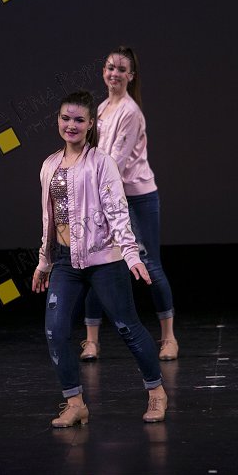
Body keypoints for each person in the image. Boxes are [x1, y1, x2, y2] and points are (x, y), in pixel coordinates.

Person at [32, 90, 169, 427]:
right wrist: (44, 262)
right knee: (55, 331)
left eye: (79, 120)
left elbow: (117, 212)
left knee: (127, 327)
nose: (71, 125)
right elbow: (49, 220)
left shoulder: (101, 163)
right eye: (66, 118)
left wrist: (132, 256)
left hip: (104, 259)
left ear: (90, 123)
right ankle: (75, 403)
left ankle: (156, 392)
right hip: (65, 262)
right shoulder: (49, 165)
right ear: (57, 120)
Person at [78, 45, 179, 363]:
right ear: (103, 71)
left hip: (136, 197)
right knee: (96, 264)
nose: (115, 74)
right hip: (105, 194)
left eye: (121, 69)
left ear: (131, 76)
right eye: (110, 67)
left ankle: (169, 338)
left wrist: (93, 191)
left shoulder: (130, 112)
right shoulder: (102, 108)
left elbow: (115, 163)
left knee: (149, 264)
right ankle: (91, 341)